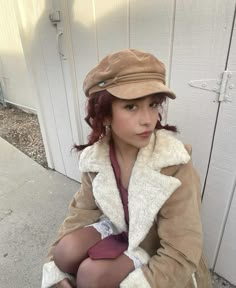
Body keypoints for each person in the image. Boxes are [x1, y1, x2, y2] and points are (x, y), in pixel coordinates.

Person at [41, 49, 212, 288]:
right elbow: (80, 213)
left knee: (91, 276)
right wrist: (55, 270)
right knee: (64, 252)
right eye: (131, 107)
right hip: (120, 231)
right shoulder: (96, 160)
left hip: (154, 248)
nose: (148, 119)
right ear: (105, 114)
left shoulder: (174, 164)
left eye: (153, 105)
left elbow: (182, 250)